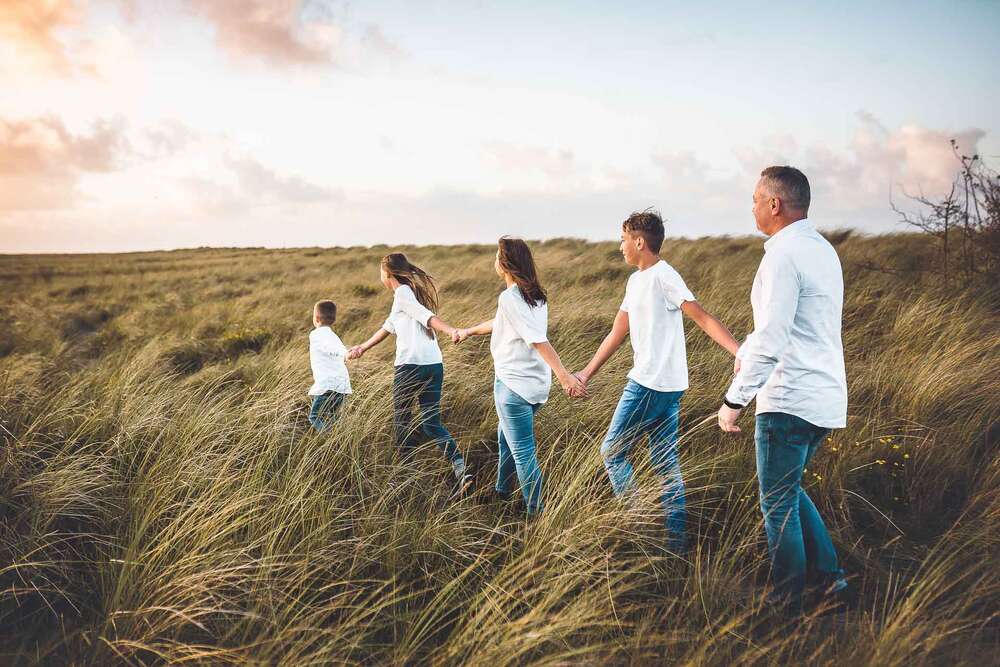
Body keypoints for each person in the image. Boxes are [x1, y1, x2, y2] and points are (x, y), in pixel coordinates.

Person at [717, 166, 849, 611]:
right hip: (823, 396)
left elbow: (774, 337)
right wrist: (749, 346)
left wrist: (734, 399)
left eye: (756, 199)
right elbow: (792, 326)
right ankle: (831, 582)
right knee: (789, 490)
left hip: (789, 399)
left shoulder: (782, 256)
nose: (752, 207)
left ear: (775, 205)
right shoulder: (822, 250)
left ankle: (787, 604)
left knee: (776, 504)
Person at [573, 210, 739, 552]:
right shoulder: (636, 281)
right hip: (669, 385)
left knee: (612, 453)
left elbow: (702, 317)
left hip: (648, 383)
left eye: (623, 240)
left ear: (639, 241)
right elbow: (617, 333)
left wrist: (739, 351)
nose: (620, 246)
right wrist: (586, 373)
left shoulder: (664, 275)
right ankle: (676, 543)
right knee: (665, 463)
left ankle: (637, 527)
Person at [452, 237, 585, 516]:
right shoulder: (534, 295)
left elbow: (538, 339)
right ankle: (502, 490)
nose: (494, 260)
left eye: (497, 255)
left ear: (505, 264)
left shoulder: (510, 297)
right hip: (536, 387)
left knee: (524, 453)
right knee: (505, 437)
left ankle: (537, 513)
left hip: (513, 388)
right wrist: (468, 331)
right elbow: (501, 322)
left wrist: (564, 375)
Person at [348, 253, 472, 497]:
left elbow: (427, 317)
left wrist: (451, 330)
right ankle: (460, 467)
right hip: (433, 365)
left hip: (410, 367)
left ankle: (404, 477)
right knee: (431, 423)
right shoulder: (405, 296)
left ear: (387, 274)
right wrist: (362, 347)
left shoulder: (403, 295)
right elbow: (388, 326)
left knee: (402, 422)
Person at [308, 299, 352, 432]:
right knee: (332, 416)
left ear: (316, 318)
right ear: (333, 319)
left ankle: (329, 437)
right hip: (341, 386)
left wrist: (345, 354)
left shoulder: (316, 334)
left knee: (315, 416)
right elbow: (335, 347)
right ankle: (337, 437)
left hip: (328, 385)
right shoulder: (333, 336)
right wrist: (345, 353)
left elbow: (329, 347)